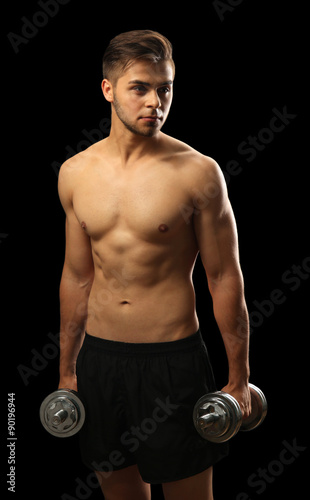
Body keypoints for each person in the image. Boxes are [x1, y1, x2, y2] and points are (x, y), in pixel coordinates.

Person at [57, 30, 251, 500]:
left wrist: (239, 377)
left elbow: (223, 276)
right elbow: (77, 277)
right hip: (100, 362)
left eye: (165, 88)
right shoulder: (75, 173)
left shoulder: (197, 172)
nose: (155, 102)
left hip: (172, 363)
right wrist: (66, 370)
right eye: (139, 87)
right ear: (108, 89)